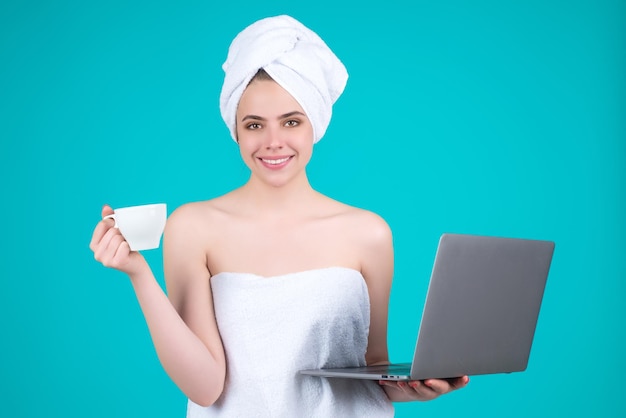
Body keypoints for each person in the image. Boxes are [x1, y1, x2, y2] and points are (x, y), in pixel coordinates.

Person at [90, 15, 468, 417]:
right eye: (255, 124)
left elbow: (373, 369)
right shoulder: (193, 226)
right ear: (235, 130)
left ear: (314, 126)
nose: (273, 143)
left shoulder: (368, 233)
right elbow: (205, 387)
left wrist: (416, 389)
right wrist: (139, 274)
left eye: (291, 121)